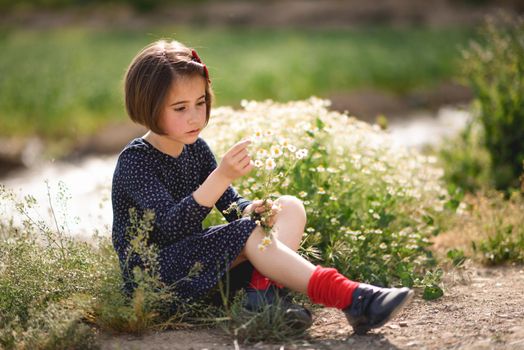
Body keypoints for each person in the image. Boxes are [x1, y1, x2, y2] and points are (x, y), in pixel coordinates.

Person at [111, 39, 413, 335]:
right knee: (246, 231)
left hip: (201, 272)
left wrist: (251, 209)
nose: (195, 116)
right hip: (156, 283)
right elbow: (169, 228)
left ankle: (263, 298)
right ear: (149, 108)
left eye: (200, 102)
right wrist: (221, 176)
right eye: (180, 108)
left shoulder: (196, 148)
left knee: (289, 207)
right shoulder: (137, 161)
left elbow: (231, 206)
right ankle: (350, 297)